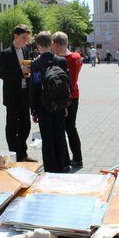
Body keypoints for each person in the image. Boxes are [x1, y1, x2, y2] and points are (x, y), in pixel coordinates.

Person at [30, 31, 70, 173]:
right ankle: (63, 165)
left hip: (43, 105)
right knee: (60, 134)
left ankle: (50, 167)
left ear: (38, 45)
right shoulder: (61, 61)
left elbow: (34, 87)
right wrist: (66, 105)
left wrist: (33, 110)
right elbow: (67, 84)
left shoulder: (36, 64)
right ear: (51, 43)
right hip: (59, 104)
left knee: (47, 138)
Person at [0, 25, 36, 163]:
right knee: (12, 127)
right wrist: (21, 71)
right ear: (15, 36)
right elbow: (2, 74)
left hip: (25, 94)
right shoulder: (6, 53)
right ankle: (15, 155)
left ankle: (23, 153)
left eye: (27, 38)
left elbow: (28, 70)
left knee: (26, 126)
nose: (26, 41)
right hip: (12, 96)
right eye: (23, 38)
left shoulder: (26, 49)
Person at [52, 31, 84, 168]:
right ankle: (77, 158)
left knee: (62, 128)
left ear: (56, 44)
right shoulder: (77, 57)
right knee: (71, 127)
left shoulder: (59, 60)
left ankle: (64, 159)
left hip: (63, 98)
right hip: (75, 95)